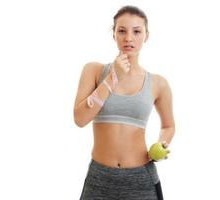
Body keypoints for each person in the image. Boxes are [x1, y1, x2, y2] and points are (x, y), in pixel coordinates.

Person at [73, 5, 175, 200]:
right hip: (100, 179)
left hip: (141, 179)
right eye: (122, 31)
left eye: (137, 31)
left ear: (146, 35)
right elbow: (80, 118)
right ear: (114, 34)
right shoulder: (94, 71)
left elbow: (169, 126)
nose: (129, 38)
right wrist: (112, 78)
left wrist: (163, 143)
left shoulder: (158, 84)